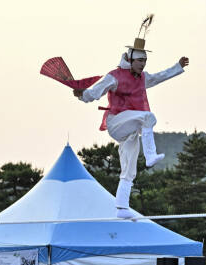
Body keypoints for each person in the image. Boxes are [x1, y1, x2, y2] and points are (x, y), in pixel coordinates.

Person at [74, 23, 189, 218]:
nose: (143, 64)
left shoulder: (143, 78)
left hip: (131, 129)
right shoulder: (115, 76)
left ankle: (121, 207)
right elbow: (95, 92)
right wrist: (82, 94)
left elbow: (161, 76)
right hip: (116, 122)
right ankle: (151, 155)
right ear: (130, 59)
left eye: (145, 61)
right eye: (139, 61)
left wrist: (177, 67)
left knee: (130, 166)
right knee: (148, 117)